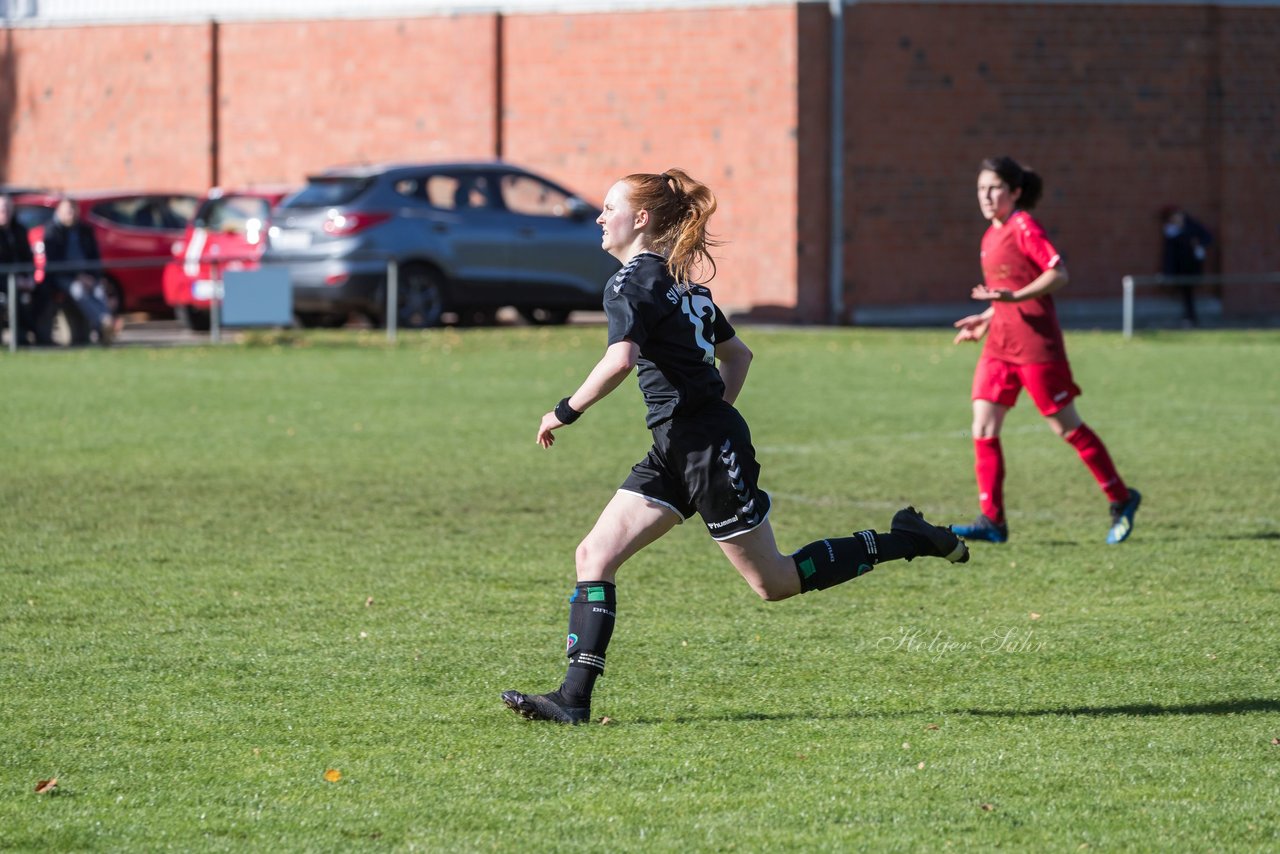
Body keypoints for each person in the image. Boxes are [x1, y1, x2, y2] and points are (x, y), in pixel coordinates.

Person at [502, 169, 970, 725]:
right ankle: (573, 700)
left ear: (641, 219)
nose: (600, 218)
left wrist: (564, 411)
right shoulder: (680, 282)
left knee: (774, 582)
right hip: (680, 446)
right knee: (593, 556)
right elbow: (739, 357)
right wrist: (706, 415)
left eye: (609, 208)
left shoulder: (631, 283)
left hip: (703, 449)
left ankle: (907, 539)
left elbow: (620, 361)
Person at [951, 156, 1141, 546]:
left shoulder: (1023, 226)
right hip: (999, 344)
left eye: (994, 188)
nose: (986, 196)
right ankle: (992, 520)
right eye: (980, 189)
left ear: (1015, 192)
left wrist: (1013, 297)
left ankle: (1121, 498)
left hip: (1036, 345)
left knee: (1066, 426)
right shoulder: (990, 235)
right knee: (983, 426)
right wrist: (987, 317)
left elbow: (1058, 273)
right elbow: (1007, 292)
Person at [39, 198, 115, 345]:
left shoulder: (85, 230)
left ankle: (106, 325)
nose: (71, 214)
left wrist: (94, 277)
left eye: (73, 211)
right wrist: (78, 277)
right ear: (59, 212)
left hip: (87, 275)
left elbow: (95, 258)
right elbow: (54, 263)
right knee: (78, 291)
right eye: (68, 211)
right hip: (63, 277)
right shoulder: (52, 231)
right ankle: (105, 323)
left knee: (99, 290)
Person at [1159, 205, 1213, 327]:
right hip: (1179, 268)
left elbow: (1208, 238)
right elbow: (1169, 255)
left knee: (1188, 293)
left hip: (1192, 267)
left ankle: (1190, 317)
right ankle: (1188, 317)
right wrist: (1167, 272)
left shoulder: (1192, 227)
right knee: (1183, 294)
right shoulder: (1171, 232)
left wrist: (1198, 244)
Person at [0, 194, 37, 345]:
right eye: (2, 210)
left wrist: (29, 278)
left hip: (20, 280)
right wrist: (15, 281)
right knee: (10, 297)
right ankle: (21, 336)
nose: (6, 213)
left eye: (8, 209)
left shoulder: (19, 230)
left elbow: (28, 258)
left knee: (44, 292)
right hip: (3, 282)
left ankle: (39, 335)